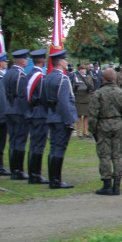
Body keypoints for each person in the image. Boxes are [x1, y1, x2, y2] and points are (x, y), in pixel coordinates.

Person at [87, 67, 122, 196]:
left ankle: (107, 184)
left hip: (103, 124)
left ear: (103, 79)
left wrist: (92, 130)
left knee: (104, 155)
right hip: (117, 124)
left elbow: (93, 114)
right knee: (117, 155)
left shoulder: (98, 93)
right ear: (115, 78)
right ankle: (117, 184)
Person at [43, 51, 78, 188]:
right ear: (60, 62)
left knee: (53, 147)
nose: (66, 62)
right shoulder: (62, 79)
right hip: (61, 117)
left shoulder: (48, 77)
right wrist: (69, 121)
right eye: (64, 60)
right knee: (59, 148)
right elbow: (64, 102)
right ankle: (56, 180)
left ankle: (53, 179)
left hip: (52, 115)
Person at [24, 50, 50, 184]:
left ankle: (32, 173)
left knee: (34, 144)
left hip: (32, 111)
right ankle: (35, 174)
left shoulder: (29, 74)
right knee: (38, 144)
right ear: (43, 60)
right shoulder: (39, 77)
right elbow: (42, 97)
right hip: (39, 113)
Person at [3, 49, 30, 179]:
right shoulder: (20, 75)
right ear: (22, 60)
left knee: (13, 140)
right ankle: (17, 170)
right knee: (19, 140)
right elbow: (22, 95)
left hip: (9, 109)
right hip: (18, 110)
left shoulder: (8, 74)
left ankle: (14, 169)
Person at [72, 62, 94, 137]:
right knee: (79, 116)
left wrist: (89, 87)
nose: (83, 70)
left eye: (84, 69)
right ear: (79, 70)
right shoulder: (77, 77)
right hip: (80, 98)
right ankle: (79, 131)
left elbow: (92, 86)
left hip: (87, 97)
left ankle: (85, 131)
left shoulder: (89, 77)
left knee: (87, 115)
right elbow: (75, 86)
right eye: (81, 69)